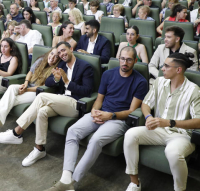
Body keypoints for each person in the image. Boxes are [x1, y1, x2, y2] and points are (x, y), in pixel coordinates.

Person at [46, 46, 148, 191]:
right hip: (100, 113)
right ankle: (66, 177)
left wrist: (110, 115)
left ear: (135, 60)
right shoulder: (108, 74)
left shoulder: (140, 82)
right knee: (72, 131)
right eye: (123, 59)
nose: (125, 62)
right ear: (119, 59)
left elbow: (131, 110)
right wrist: (94, 110)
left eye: (129, 60)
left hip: (118, 120)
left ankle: (72, 182)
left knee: (95, 140)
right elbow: (99, 99)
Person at [0, 41, 93, 166]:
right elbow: (49, 82)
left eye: (63, 50)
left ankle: (16, 133)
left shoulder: (85, 66)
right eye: (59, 52)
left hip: (75, 104)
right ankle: (39, 149)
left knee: (41, 96)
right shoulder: (62, 65)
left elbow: (87, 91)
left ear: (71, 49)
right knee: (42, 112)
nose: (61, 54)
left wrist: (67, 82)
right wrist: (56, 79)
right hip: (61, 100)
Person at [124, 52, 200, 191]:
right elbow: (145, 104)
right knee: (130, 134)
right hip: (158, 130)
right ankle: (134, 183)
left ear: (178, 70)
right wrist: (148, 117)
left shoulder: (194, 91)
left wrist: (170, 122)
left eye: (166, 66)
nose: (162, 68)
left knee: (172, 152)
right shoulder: (159, 82)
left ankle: (179, 189)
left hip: (181, 135)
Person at [0, 47, 60, 130]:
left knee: (10, 100)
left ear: (58, 60)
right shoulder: (41, 60)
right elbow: (30, 73)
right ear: (49, 53)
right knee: (11, 88)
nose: (52, 57)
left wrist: (27, 89)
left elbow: (43, 87)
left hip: (37, 93)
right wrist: (26, 83)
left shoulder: (55, 70)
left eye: (56, 56)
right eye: (52, 53)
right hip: (28, 86)